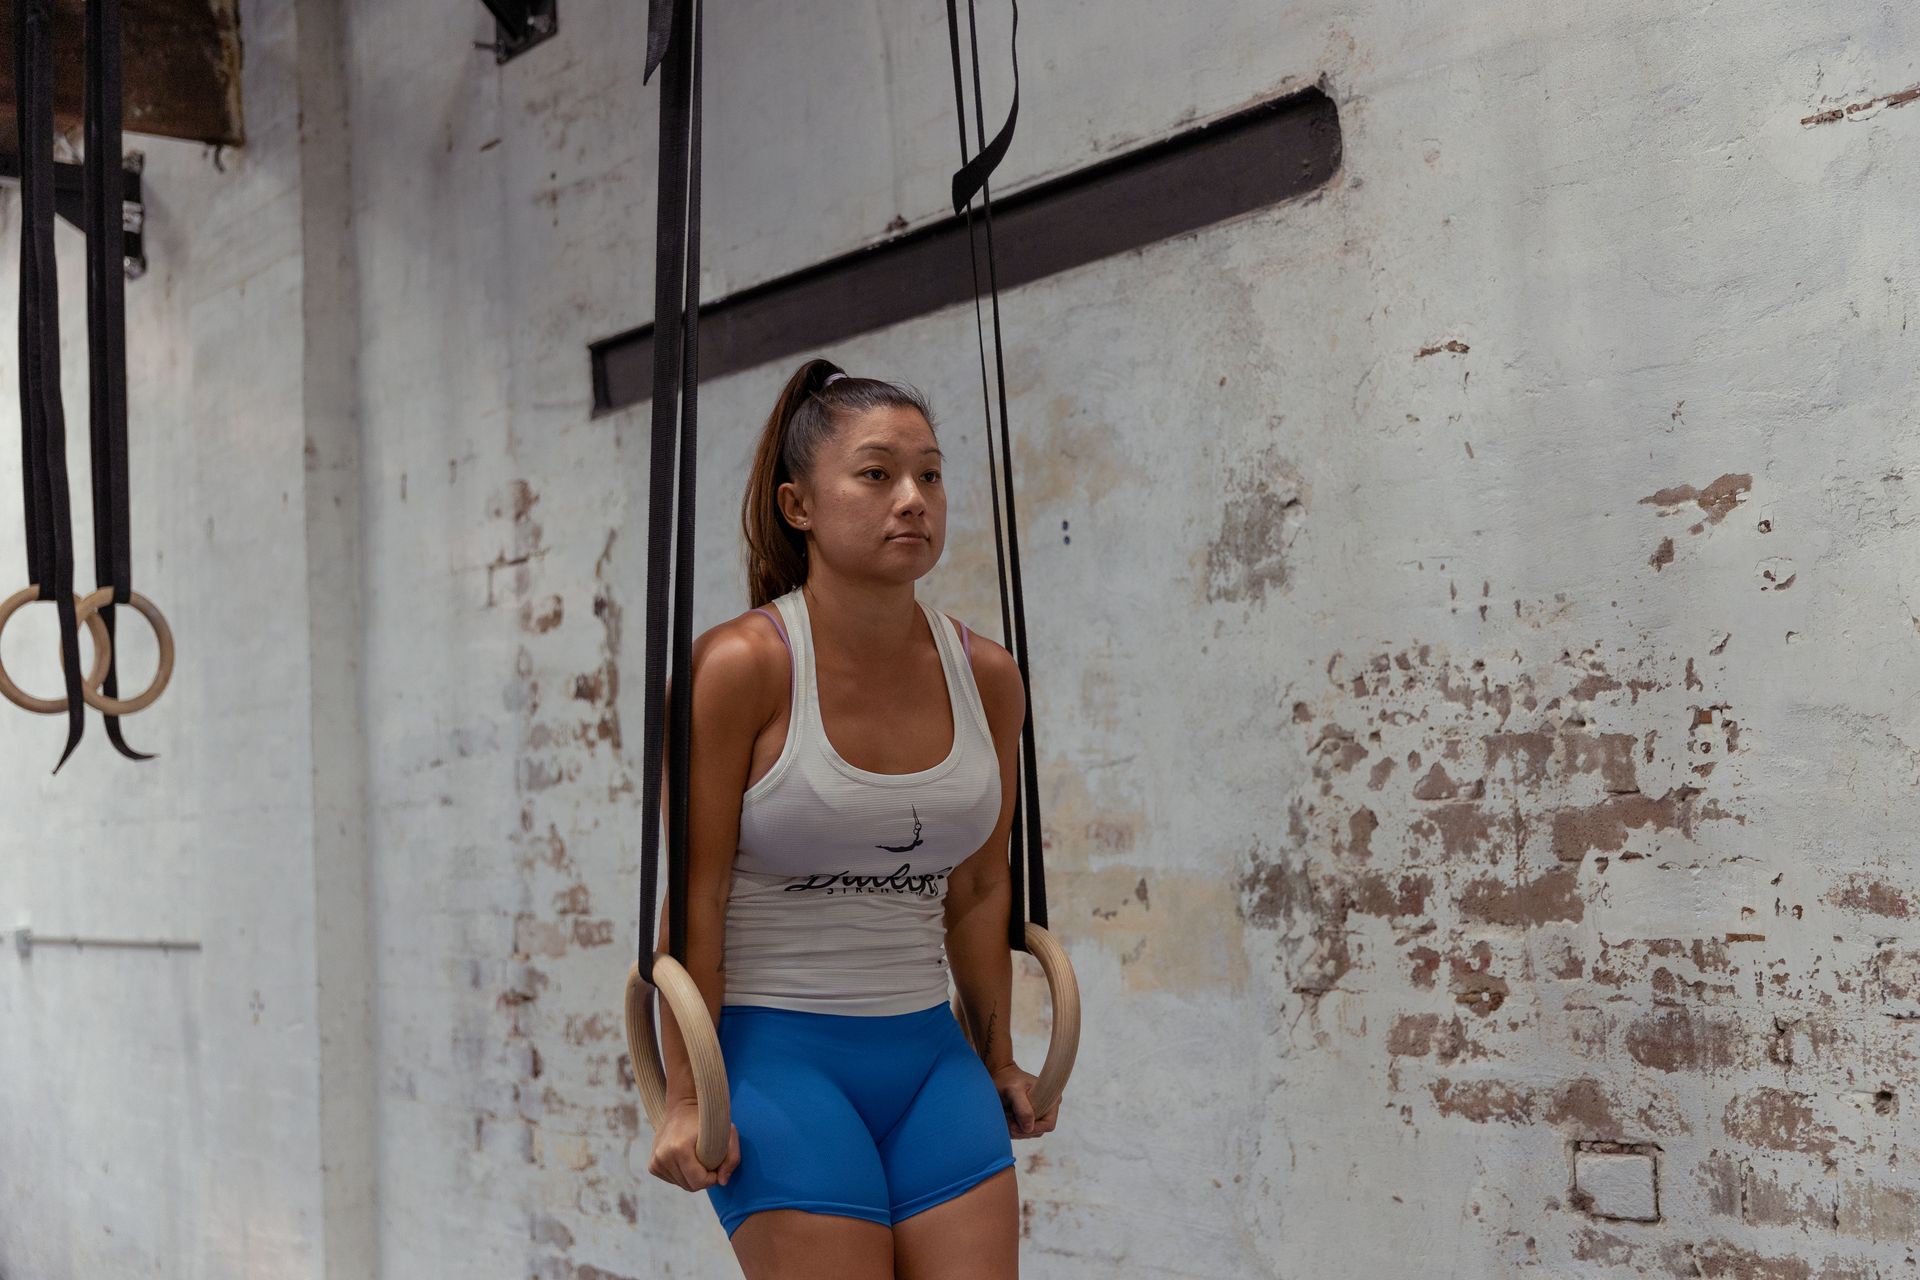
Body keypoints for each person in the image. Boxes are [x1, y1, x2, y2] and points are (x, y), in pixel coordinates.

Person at [645, 357, 1060, 1278]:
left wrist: (997, 1058)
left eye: (930, 475)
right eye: (877, 475)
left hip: (928, 1063)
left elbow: (981, 886)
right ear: (800, 506)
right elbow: (697, 901)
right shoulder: (741, 667)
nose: (912, 499)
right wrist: (684, 1096)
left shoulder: (986, 675)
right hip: (777, 1064)